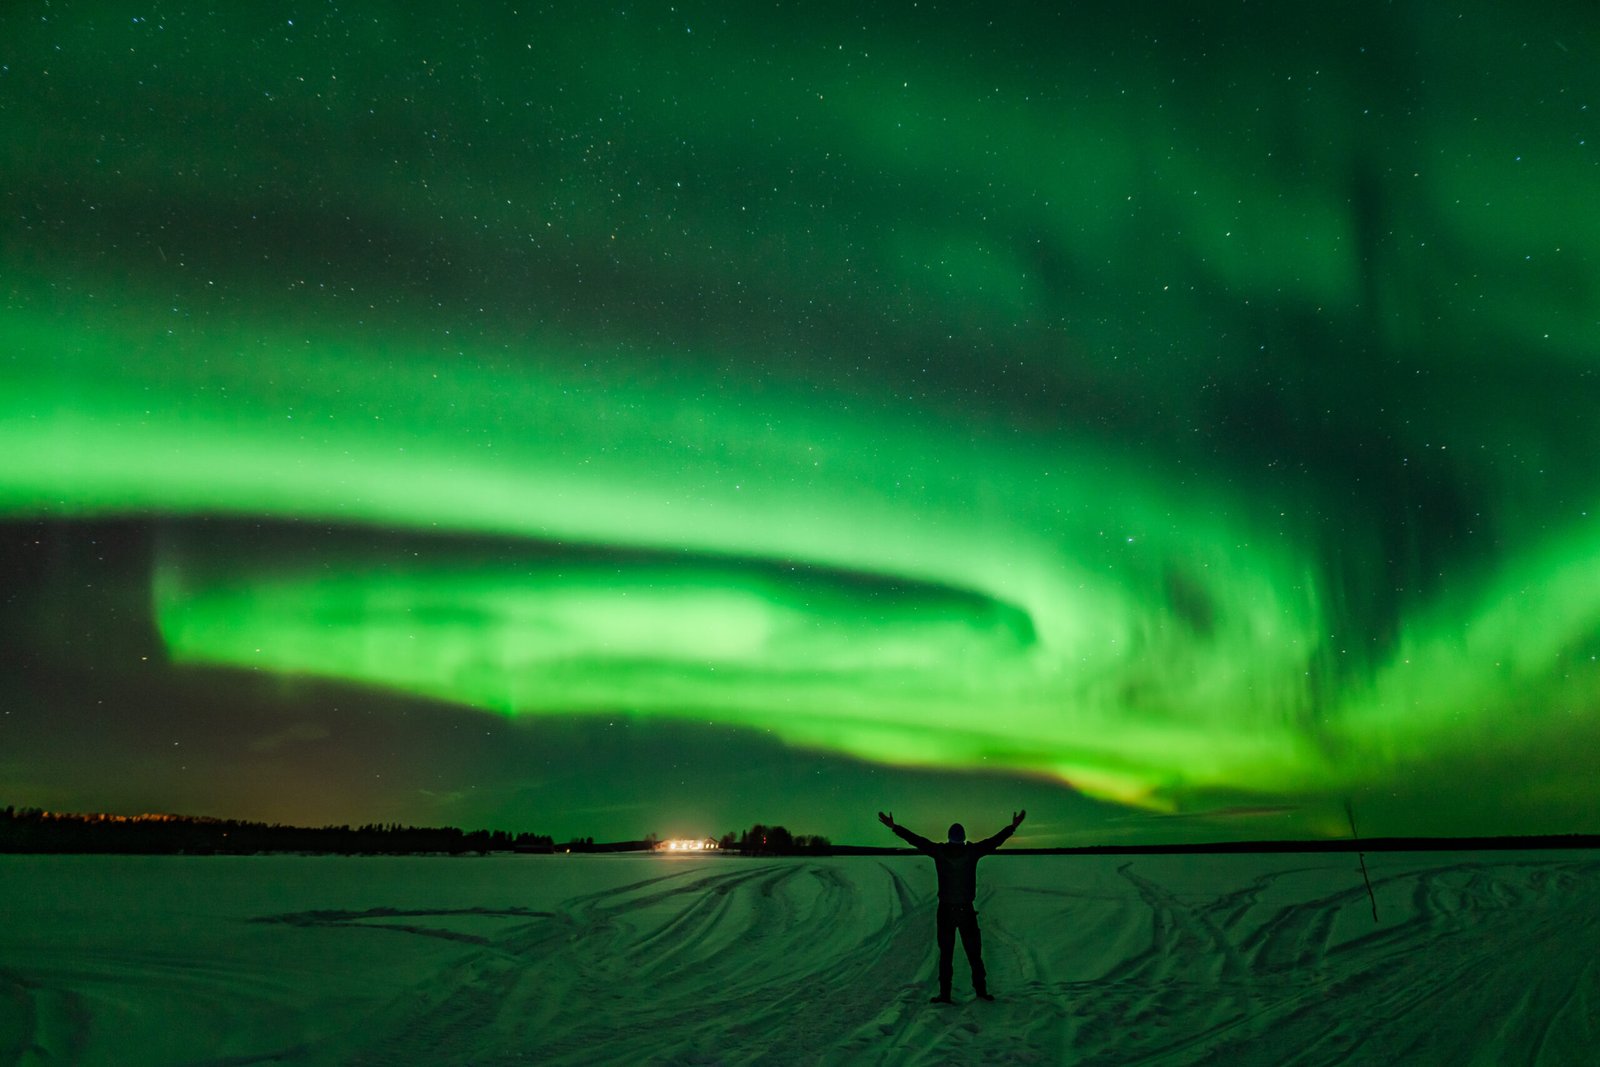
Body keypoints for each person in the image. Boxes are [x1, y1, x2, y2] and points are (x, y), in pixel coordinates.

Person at [878, 808, 1025, 1003]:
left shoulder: (939, 852)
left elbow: (917, 840)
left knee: (946, 954)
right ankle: (980, 992)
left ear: (949, 838)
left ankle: (945, 994)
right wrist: (1012, 827)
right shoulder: (972, 852)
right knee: (974, 954)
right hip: (965, 911)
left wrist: (894, 827)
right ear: (963, 838)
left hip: (946, 911)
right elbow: (994, 842)